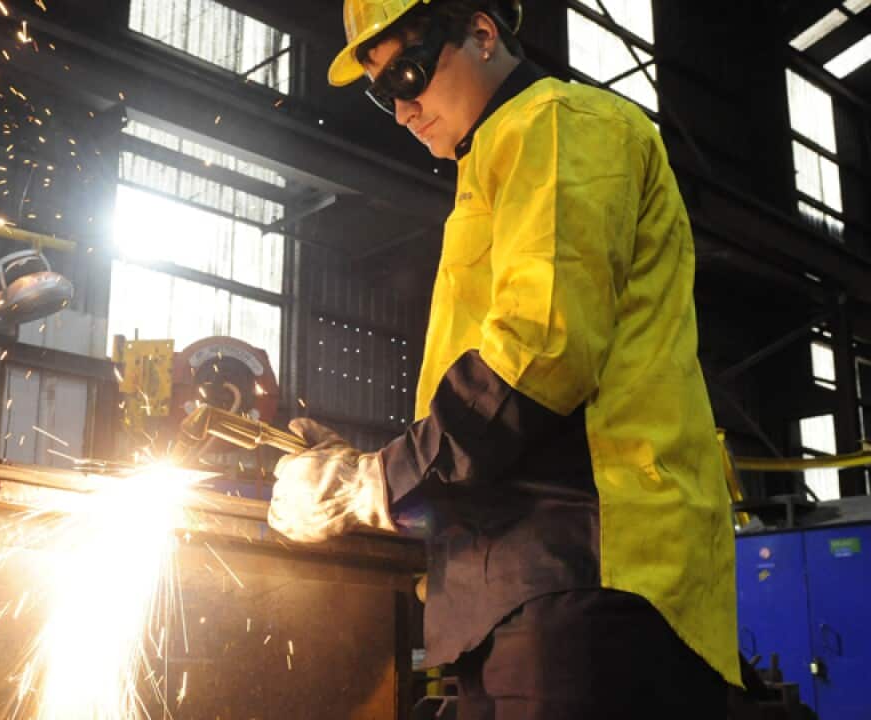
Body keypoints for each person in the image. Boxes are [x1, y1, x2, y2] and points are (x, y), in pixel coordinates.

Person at [267, 1, 741, 717]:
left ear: (483, 32)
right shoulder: (489, 166)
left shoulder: (555, 124)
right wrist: (377, 470)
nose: (401, 109)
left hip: (589, 575)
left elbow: (538, 356)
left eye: (409, 72)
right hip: (520, 589)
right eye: (382, 90)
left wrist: (377, 482)